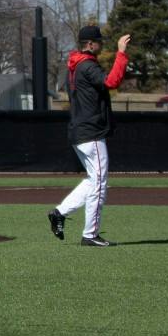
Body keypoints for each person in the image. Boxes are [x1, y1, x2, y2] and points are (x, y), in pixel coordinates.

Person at [49, 27, 129, 247]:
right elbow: (111, 82)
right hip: (90, 131)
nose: (101, 45)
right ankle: (90, 234)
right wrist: (121, 54)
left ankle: (60, 212)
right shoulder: (87, 65)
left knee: (94, 179)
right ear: (90, 44)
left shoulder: (74, 66)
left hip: (79, 129)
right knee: (100, 183)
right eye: (99, 42)